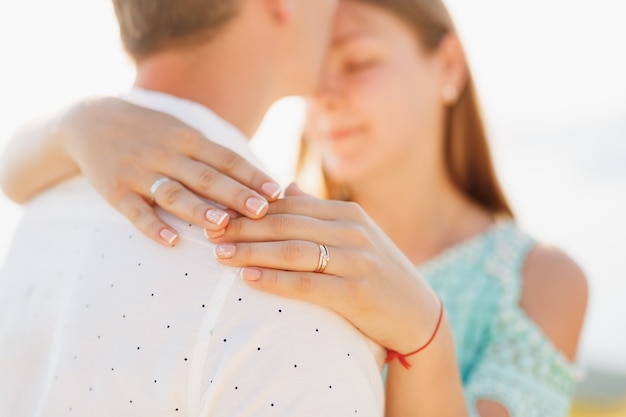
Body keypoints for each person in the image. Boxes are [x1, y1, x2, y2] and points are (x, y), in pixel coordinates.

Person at [0, 0, 588, 417]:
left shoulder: (538, 278)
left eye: (358, 62)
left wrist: (425, 338)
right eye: (320, 68)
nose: (328, 94)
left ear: (449, 66)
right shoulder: (276, 226)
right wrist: (74, 124)